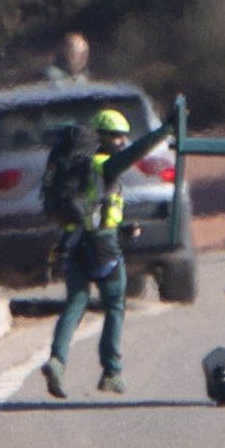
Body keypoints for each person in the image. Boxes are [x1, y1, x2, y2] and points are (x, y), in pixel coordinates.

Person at [41, 107, 174, 398]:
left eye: (124, 136)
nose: (122, 142)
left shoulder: (74, 166)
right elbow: (136, 153)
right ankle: (112, 372)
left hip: (74, 240)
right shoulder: (104, 165)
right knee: (115, 305)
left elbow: (94, 205)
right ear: (100, 137)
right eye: (116, 136)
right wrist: (163, 132)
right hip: (103, 246)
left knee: (76, 302)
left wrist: (123, 226)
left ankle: (57, 360)